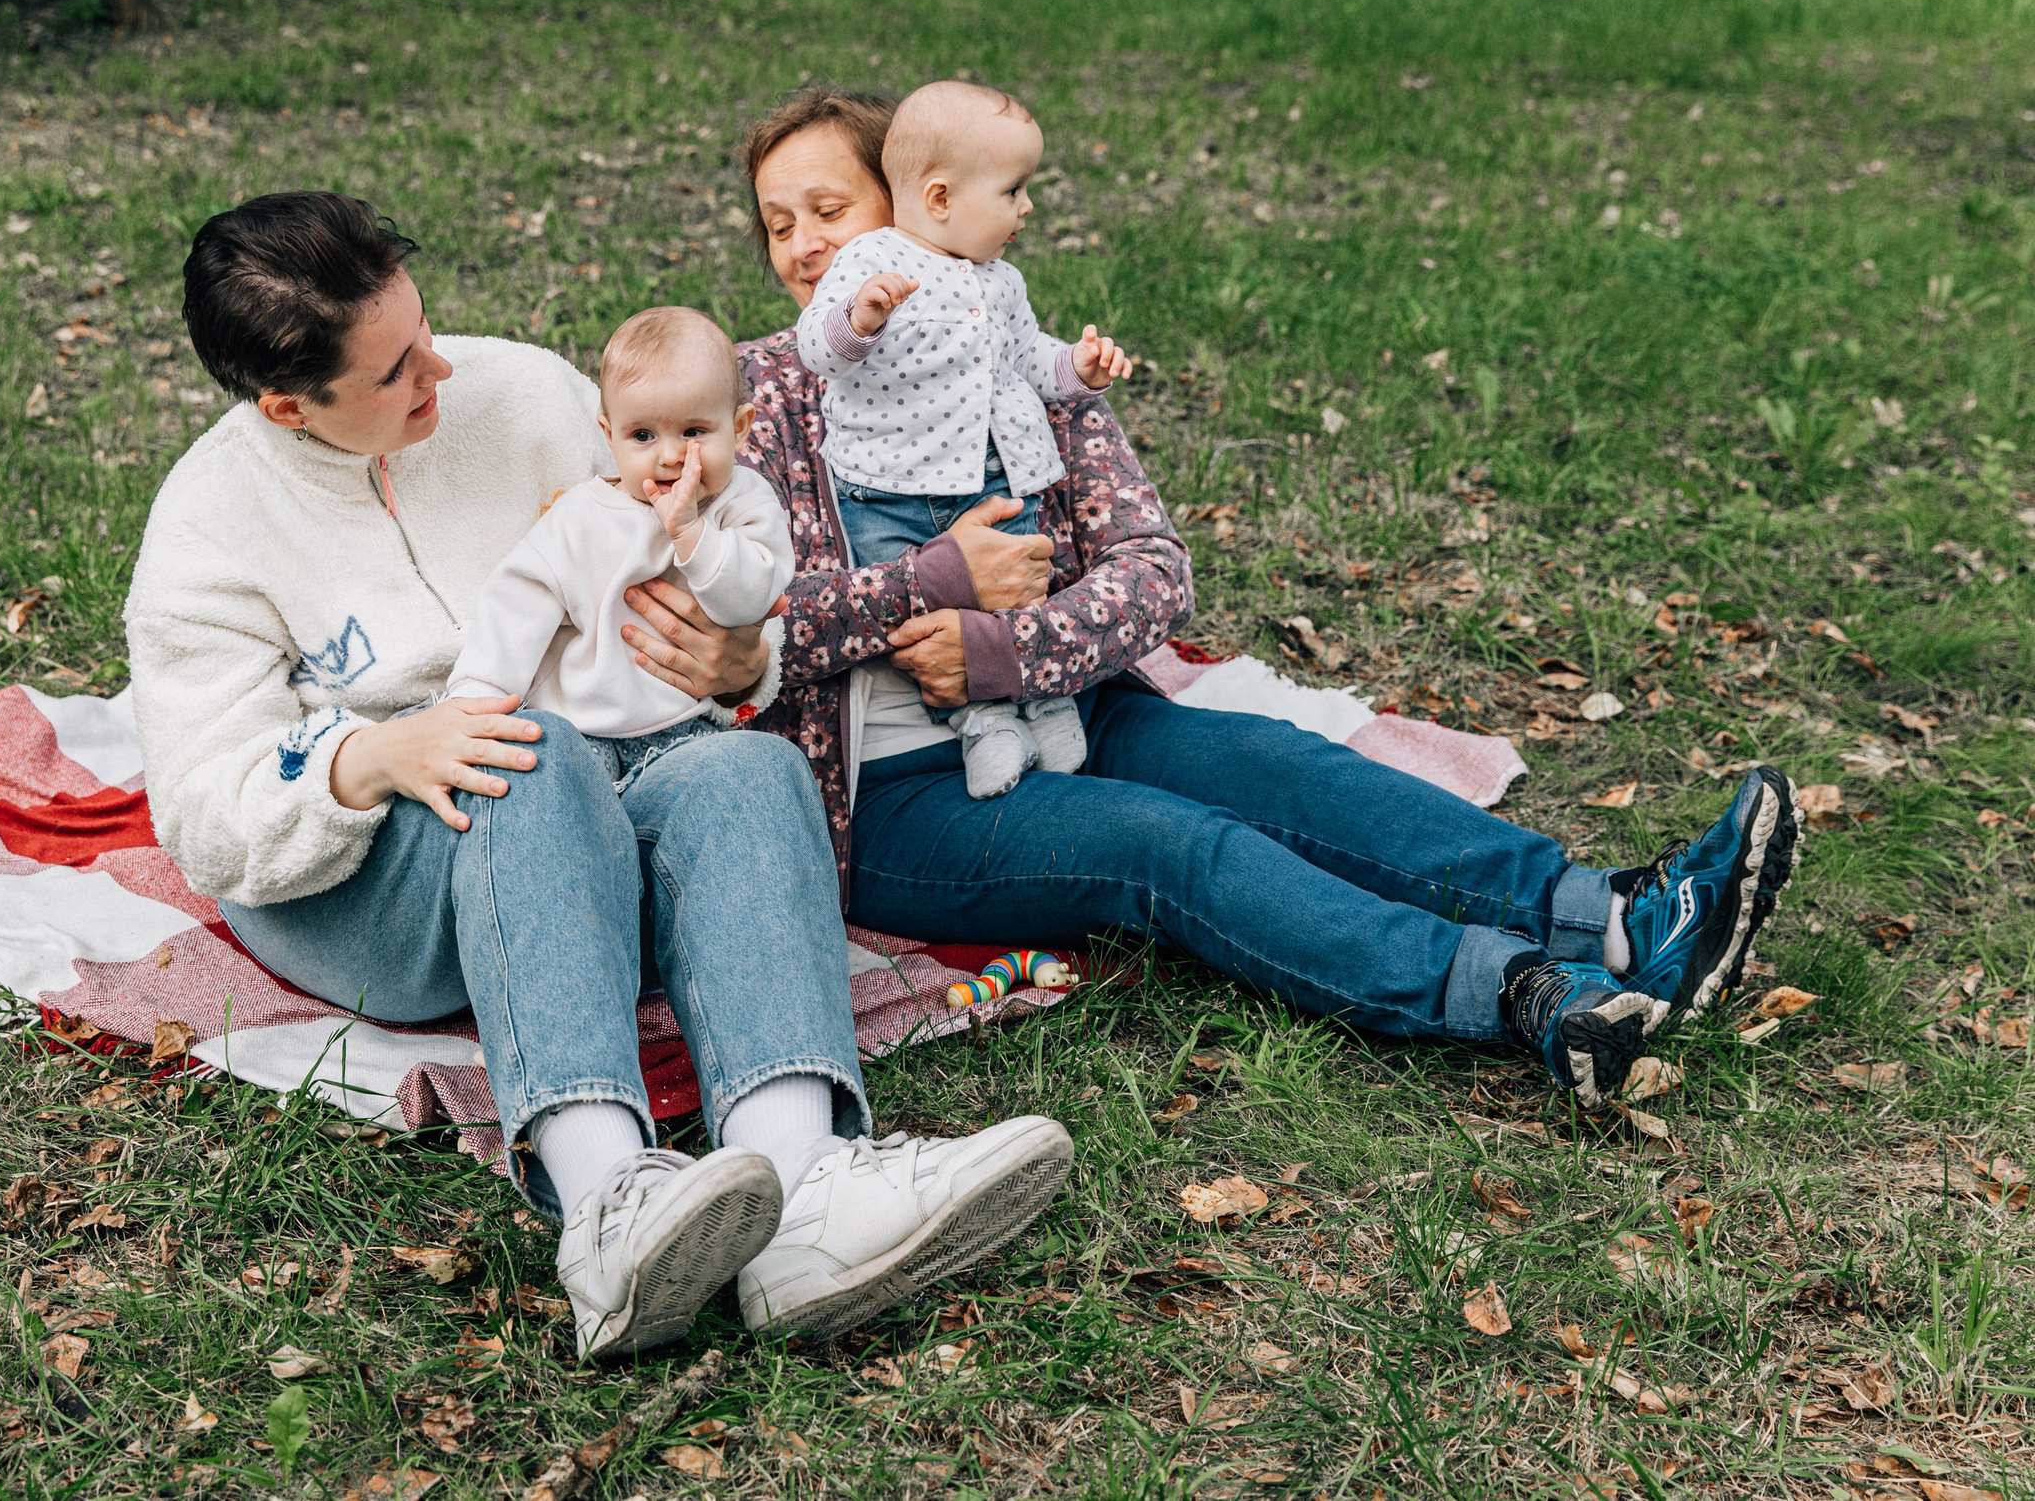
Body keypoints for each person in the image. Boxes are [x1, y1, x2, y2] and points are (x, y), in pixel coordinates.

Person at [123, 192, 1073, 1362]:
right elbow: (210, 819)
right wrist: (367, 756)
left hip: (600, 789)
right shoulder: (208, 525)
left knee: (740, 768)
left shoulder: (521, 393)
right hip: (365, 883)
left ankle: (809, 1193)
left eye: (423, 329)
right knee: (531, 754)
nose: (438, 371)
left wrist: (744, 661)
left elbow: (700, 547)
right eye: (393, 373)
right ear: (286, 407)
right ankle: (608, 1204)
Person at [722, 85, 1803, 1111]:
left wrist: (1014, 649)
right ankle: (1526, 997)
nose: (807, 247)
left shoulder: (1025, 364)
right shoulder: (747, 398)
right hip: (899, 802)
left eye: (830, 209)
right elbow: (730, 631)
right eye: (778, 225)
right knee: (1170, 846)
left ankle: (1618, 920)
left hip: (1076, 707)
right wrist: (926, 587)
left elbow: (1153, 570)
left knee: (1283, 770)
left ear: (919, 200)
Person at [795, 81, 1133, 798]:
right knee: (936, 624)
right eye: (1014, 191)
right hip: (886, 495)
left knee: (1021, 589)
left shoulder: (1002, 281)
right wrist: (860, 318)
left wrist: (1079, 366)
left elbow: (1029, 358)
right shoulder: (868, 262)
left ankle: (1044, 699)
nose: (1028, 206)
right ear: (941, 198)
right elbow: (818, 351)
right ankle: (983, 724)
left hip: (999, 477)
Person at [446, 306, 791, 789]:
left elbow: (751, 599)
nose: (670, 456)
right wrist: (476, 698)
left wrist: (692, 533)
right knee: (555, 789)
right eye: (643, 436)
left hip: (687, 724)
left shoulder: (743, 501)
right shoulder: (580, 518)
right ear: (610, 436)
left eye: (694, 432)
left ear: (739, 427)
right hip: (579, 725)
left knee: (736, 781)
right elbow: (517, 603)